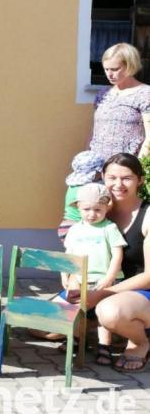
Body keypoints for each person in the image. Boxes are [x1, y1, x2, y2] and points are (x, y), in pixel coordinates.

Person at [88, 153, 150, 373]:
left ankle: (140, 343)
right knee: (44, 326)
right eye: (112, 177)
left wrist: (101, 294)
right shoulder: (96, 211)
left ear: (140, 180)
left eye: (126, 178)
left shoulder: (147, 215)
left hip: (142, 293)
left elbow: (149, 276)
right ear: (103, 177)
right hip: (100, 287)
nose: (118, 184)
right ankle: (116, 330)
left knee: (110, 312)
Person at [61, 183, 126, 366]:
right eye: (86, 209)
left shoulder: (109, 228)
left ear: (107, 208)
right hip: (79, 278)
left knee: (101, 313)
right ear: (78, 208)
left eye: (98, 209)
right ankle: (76, 339)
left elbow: (117, 254)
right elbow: (69, 255)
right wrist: (64, 274)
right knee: (76, 309)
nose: (92, 214)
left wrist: (110, 277)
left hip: (103, 279)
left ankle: (104, 345)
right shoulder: (74, 230)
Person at [88, 43, 150, 160]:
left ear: (130, 66)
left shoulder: (145, 94)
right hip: (98, 164)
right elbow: (94, 132)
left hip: (126, 165)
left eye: (115, 69)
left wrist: (138, 166)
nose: (109, 74)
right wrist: (87, 158)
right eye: (106, 69)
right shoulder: (102, 94)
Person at [58, 151, 105, 242]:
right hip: (79, 226)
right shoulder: (90, 188)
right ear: (96, 172)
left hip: (66, 225)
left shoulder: (74, 184)